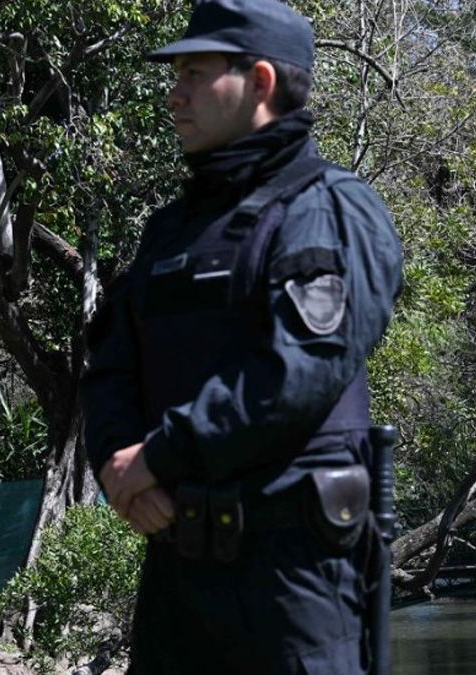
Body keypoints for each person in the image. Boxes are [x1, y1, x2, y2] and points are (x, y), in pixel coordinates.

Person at [80, 0, 403, 672]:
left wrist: (162, 455)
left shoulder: (330, 210)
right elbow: (110, 363)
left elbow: (297, 374)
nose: (176, 94)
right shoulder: (170, 231)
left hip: (293, 583)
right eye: (176, 76)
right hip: (175, 574)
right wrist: (120, 468)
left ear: (260, 82)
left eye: (195, 73)